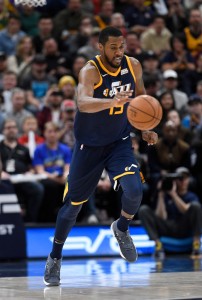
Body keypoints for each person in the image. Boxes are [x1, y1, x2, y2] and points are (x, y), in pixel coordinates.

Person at [43, 26, 158, 286]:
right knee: (73, 207)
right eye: (113, 47)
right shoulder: (90, 70)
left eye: (122, 46)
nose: (119, 52)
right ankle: (55, 257)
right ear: (101, 47)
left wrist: (145, 129)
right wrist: (111, 101)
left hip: (119, 141)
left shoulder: (134, 65)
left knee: (134, 189)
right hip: (89, 147)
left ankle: (122, 228)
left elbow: (140, 100)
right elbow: (82, 102)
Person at [138, 167, 202, 259]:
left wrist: (173, 195)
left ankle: (196, 244)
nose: (183, 181)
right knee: (144, 210)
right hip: (167, 227)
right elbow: (161, 216)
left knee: (196, 206)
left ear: (189, 180)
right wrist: (161, 194)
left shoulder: (191, 196)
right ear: (175, 180)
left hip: (184, 227)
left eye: (185, 178)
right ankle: (158, 245)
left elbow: (185, 210)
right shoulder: (165, 195)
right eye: (180, 179)